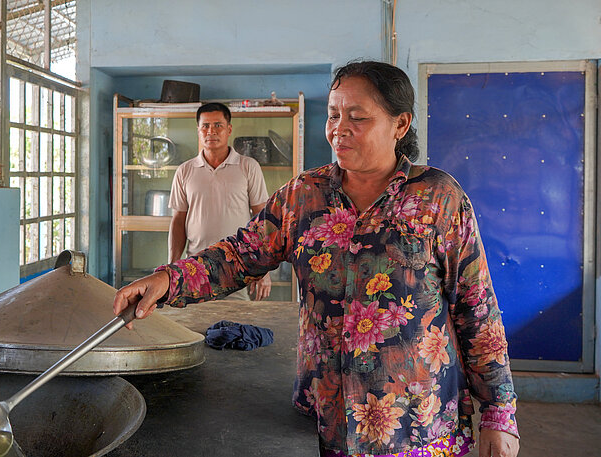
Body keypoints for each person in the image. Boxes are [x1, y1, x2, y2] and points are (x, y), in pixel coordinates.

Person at [114, 60, 520, 457]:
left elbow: (476, 308)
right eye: (333, 115)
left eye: (356, 117)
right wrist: (169, 280)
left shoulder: (439, 198)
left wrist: (499, 414)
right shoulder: (304, 195)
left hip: (418, 424)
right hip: (327, 419)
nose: (338, 130)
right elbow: (239, 255)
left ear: (400, 124)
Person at [168, 102, 272, 300]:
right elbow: (178, 220)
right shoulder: (185, 171)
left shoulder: (248, 166)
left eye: (218, 125)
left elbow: (262, 219)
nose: (211, 131)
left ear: (229, 129)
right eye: (205, 126)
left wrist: (263, 267)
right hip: (195, 266)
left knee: (236, 327)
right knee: (194, 326)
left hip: (238, 265)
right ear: (198, 130)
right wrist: (173, 266)